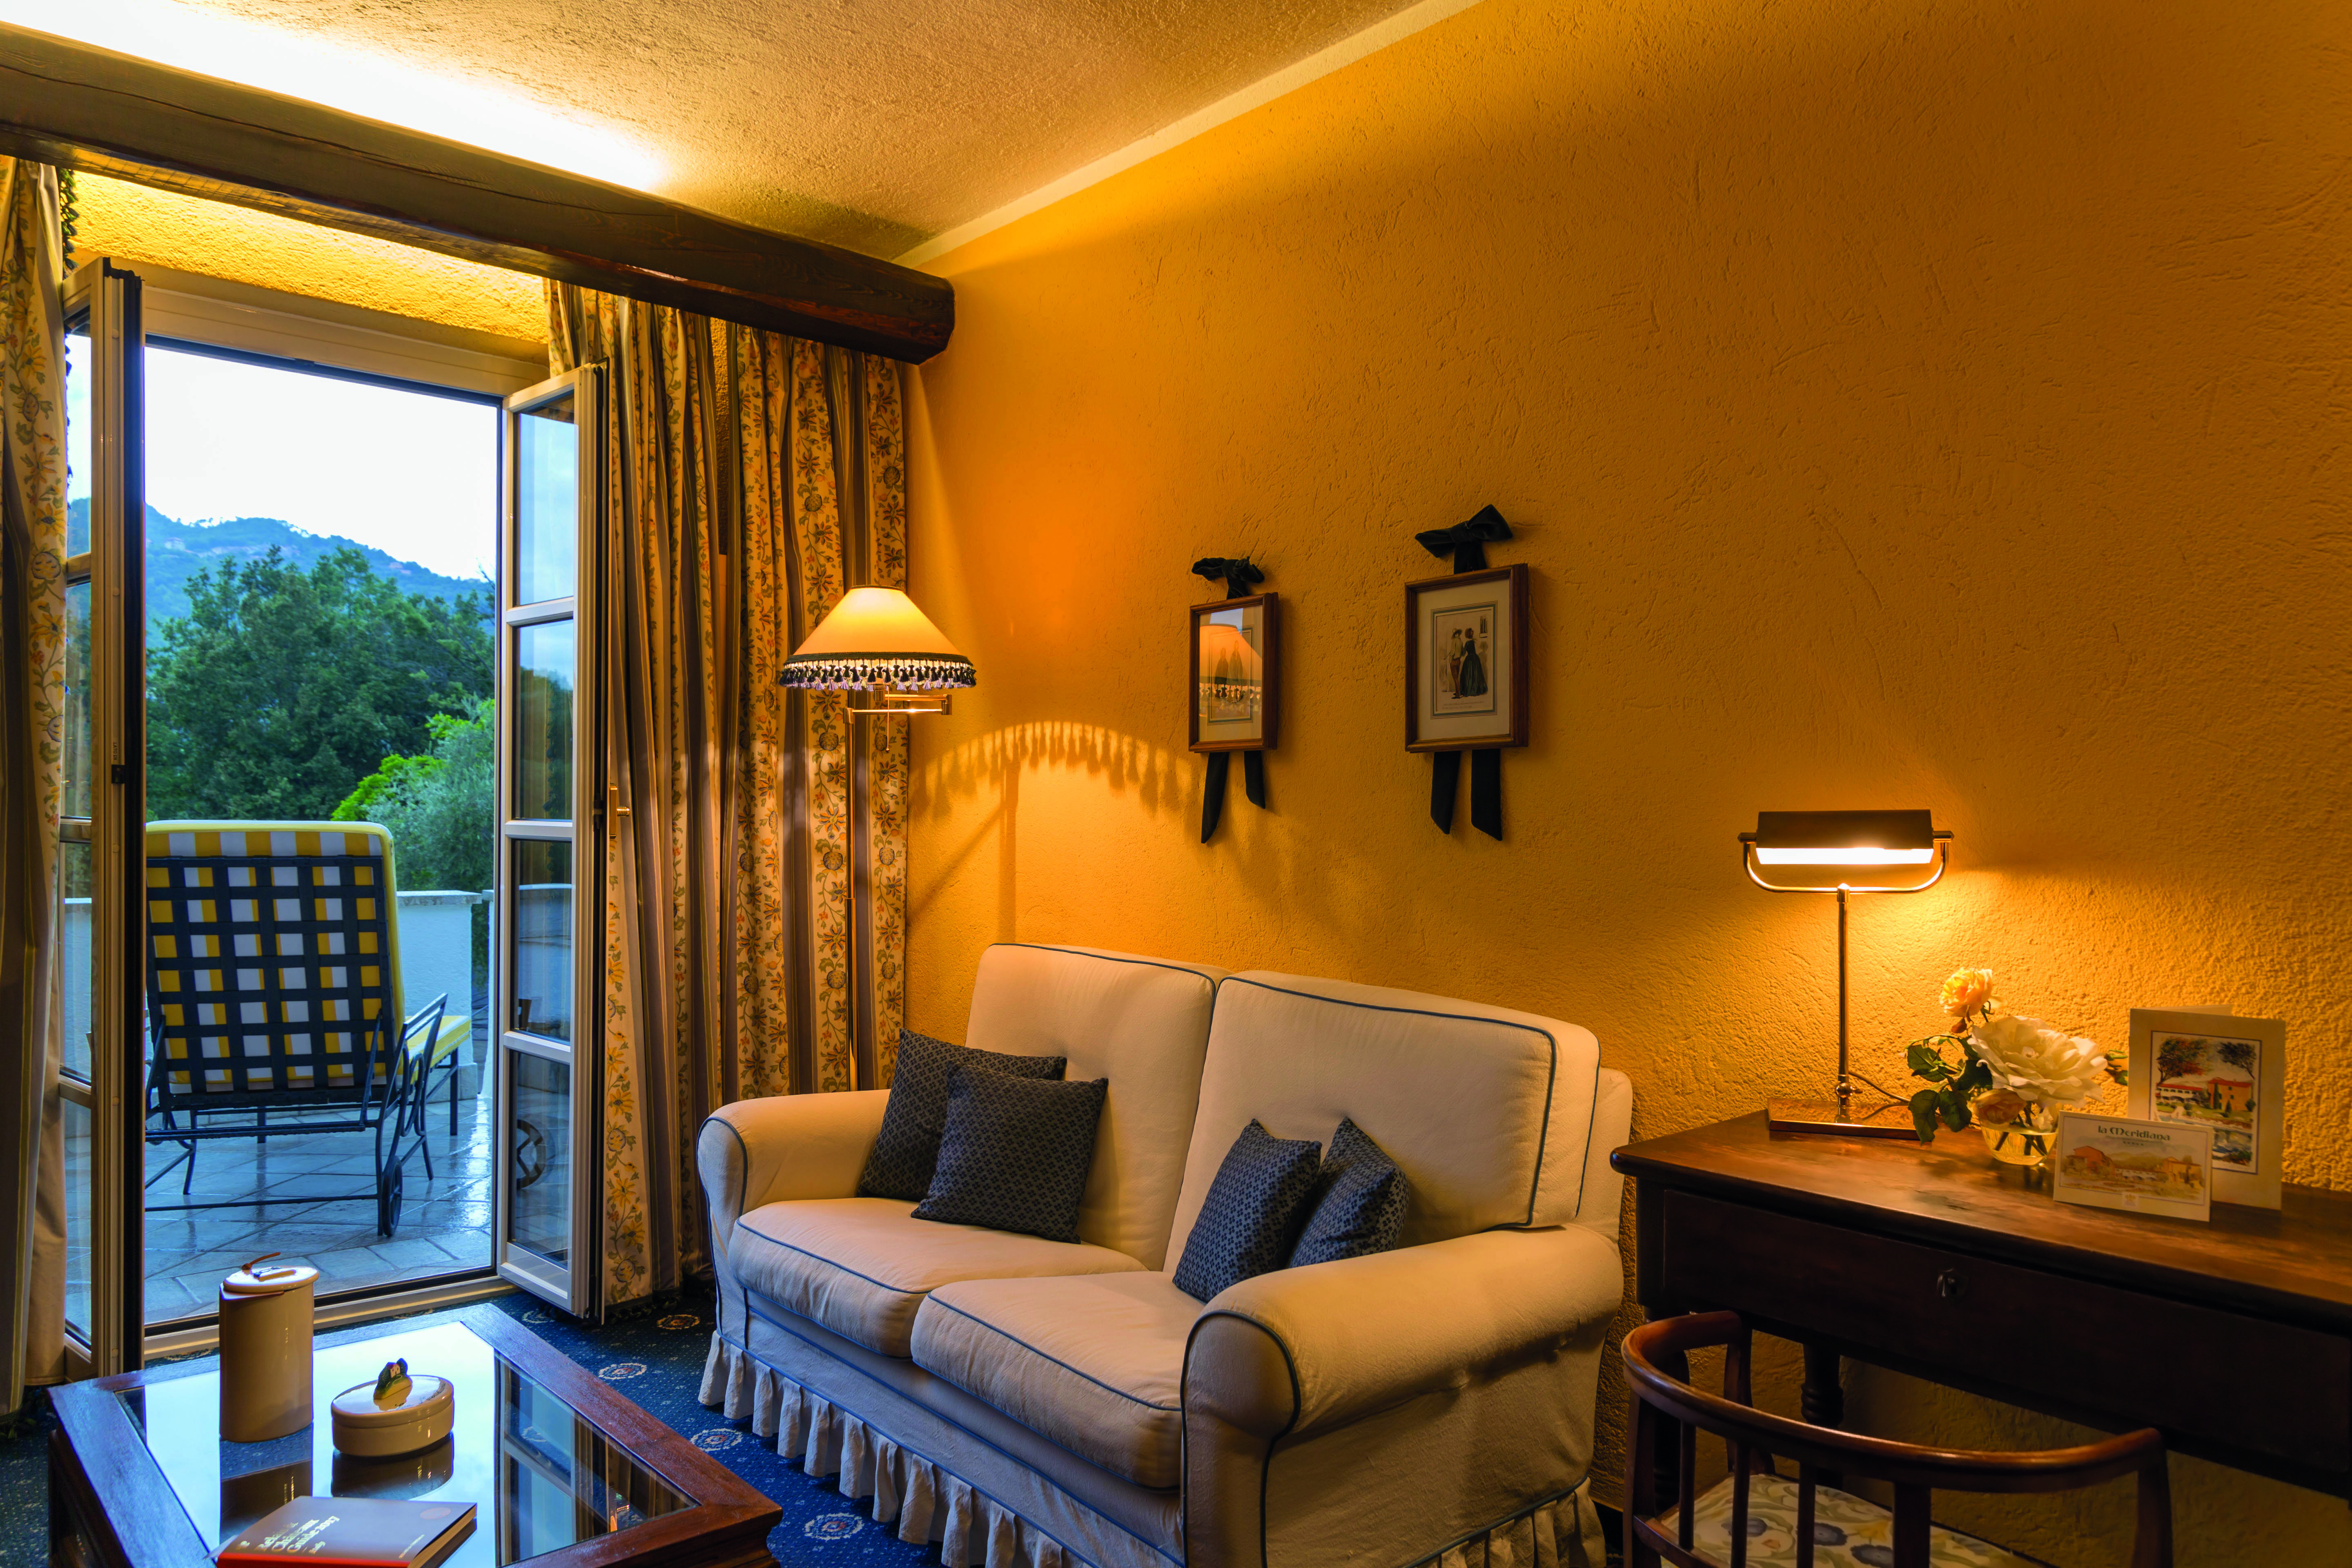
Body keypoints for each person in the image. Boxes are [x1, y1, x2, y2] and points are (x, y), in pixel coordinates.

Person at [1457, 621, 1488, 698]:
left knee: (1469, 675)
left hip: (1470, 659)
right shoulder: (1473, 642)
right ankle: (1475, 689)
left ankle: (1470, 690)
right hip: (1475, 658)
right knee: (1475, 674)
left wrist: (1461, 648)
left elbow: (1464, 654)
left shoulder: (1468, 643)